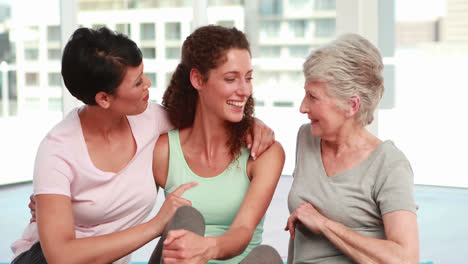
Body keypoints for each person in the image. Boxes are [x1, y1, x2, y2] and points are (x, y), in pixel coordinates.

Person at [11, 26, 275, 264]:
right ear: (104, 98)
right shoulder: (57, 151)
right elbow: (61, 256)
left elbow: (205, 119)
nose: (148, 84)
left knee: (190, 219)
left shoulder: (152, 121)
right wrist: (156, 224)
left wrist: (250, 123)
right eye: (137, 82)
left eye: (143, 74)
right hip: (45, 261)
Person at [148, 25, 286, 264]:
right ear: (198, 79)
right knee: (187, 217)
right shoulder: (164, 151)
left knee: (268, 258)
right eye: (231, 79)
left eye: (249, 78)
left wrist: (206, 249)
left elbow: (243, 231)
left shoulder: (264, 153)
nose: (245, 90)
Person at [285, 34, 419, 264]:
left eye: (313, 97)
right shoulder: (307, 137)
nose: (302, 107)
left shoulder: (389, 164)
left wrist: (325, 225)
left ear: (351, 105)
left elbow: (405, 258)